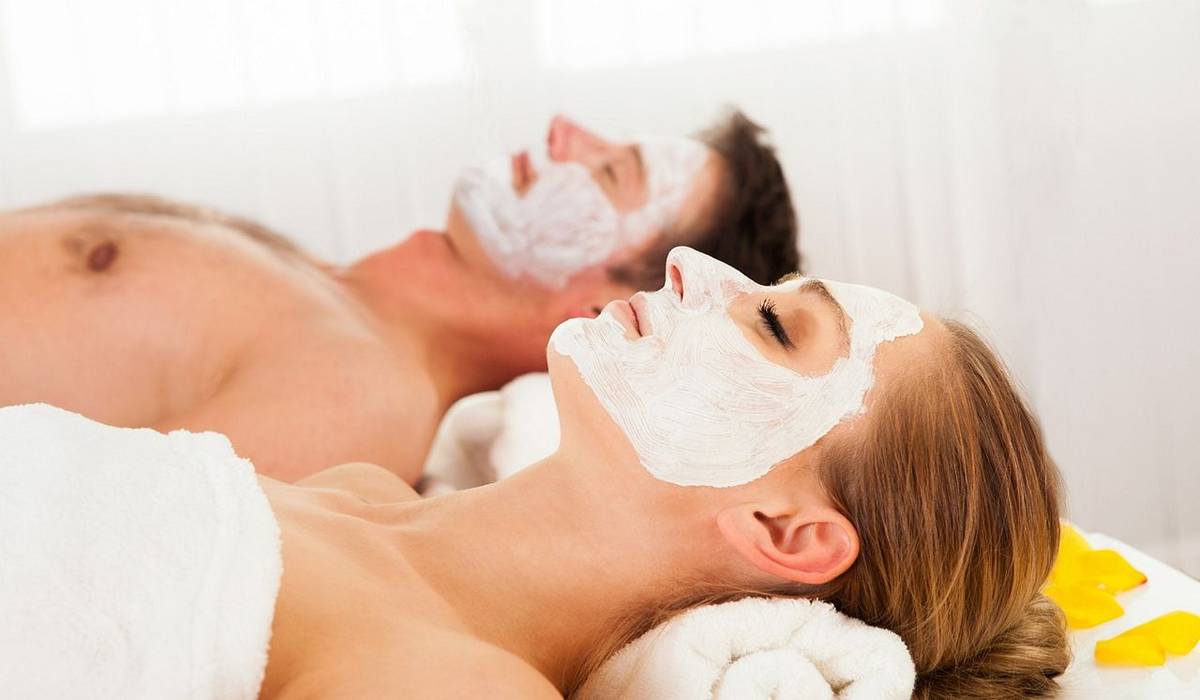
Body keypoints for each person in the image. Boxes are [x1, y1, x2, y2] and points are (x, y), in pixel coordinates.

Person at [257, 247, 1070, 698]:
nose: (690, 263)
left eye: (775, 325)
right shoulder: (360, 488)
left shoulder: (448, 684)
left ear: (785, 533)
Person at [0, 110, 799, 483]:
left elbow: (66, 545)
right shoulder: (321, 290)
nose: (562, 131)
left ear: (598, 306)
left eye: (607, 169)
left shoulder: (361, 400)